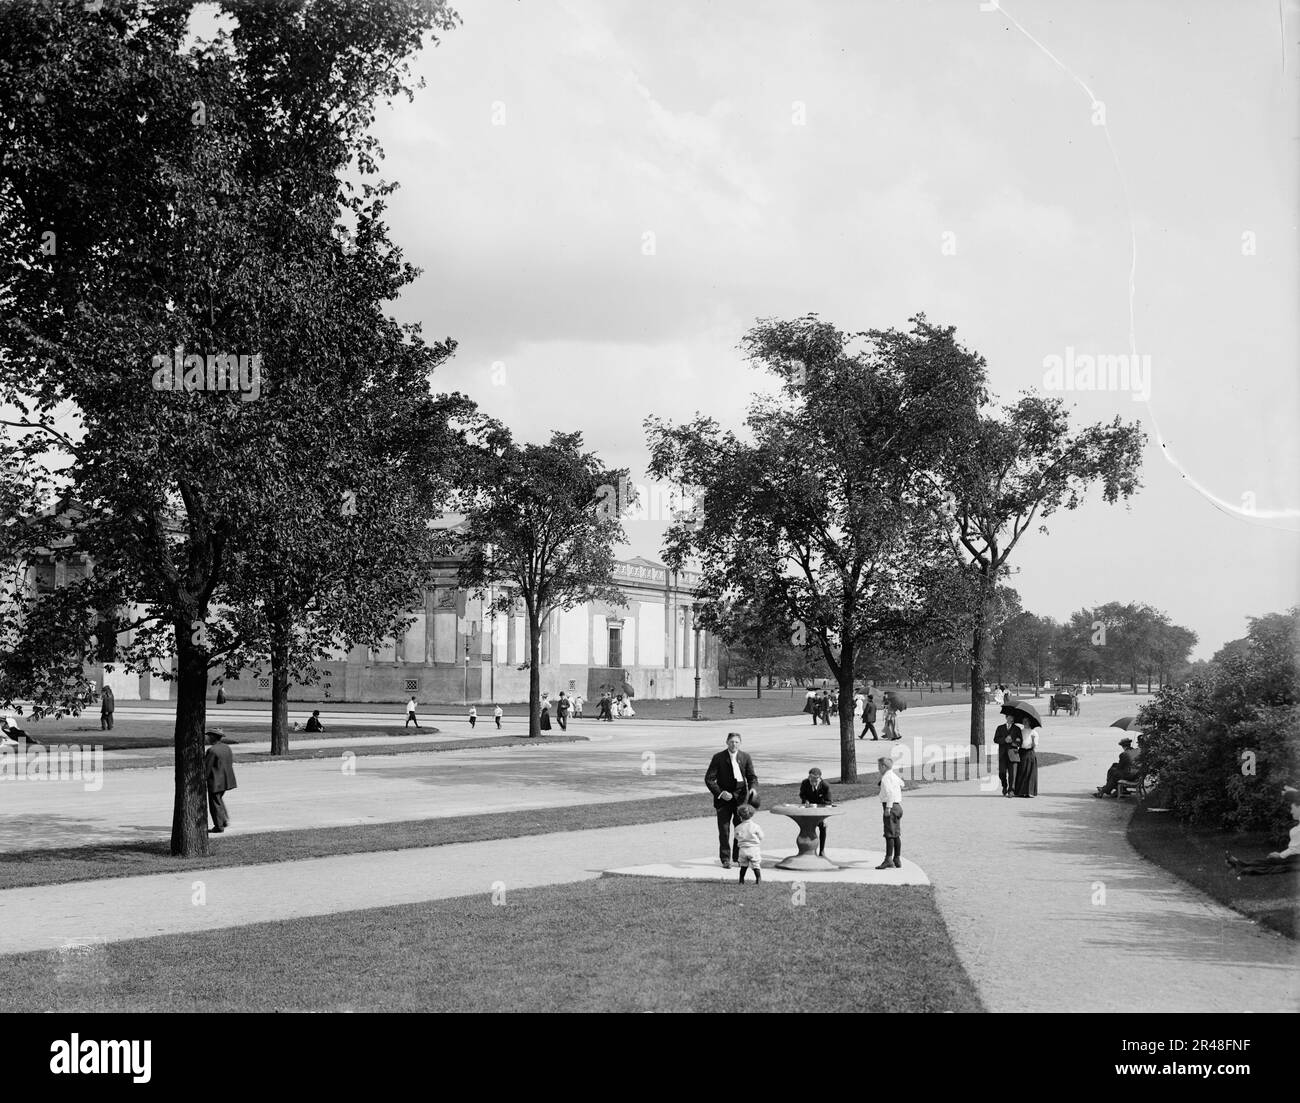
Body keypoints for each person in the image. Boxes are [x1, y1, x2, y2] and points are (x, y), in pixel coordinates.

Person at [705, 732, 758, 868]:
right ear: (727, 742)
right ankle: (725, 859)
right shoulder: (718, 757)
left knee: (740, 829)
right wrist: (721, 793)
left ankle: (738, 857)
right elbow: (709, 779)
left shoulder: (745, 757)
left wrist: (753, 788)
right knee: (724, 830)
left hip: (740, 798)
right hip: (724, 799)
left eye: (736, 742)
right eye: (731, 742)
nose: (734, 744)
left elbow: (752, 777)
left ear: (740, 743)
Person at [1226, 794, 1300, 875]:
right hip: (1294, 857)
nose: (1291, 811)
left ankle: (1244, 870)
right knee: (1271, 862)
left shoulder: (1298, 830)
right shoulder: (1297, 828)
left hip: (1296, 858)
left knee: (1277, 866)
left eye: (1293, 809)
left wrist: (1280, 855)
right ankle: (1240, 864)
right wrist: (1280, 855)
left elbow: (1295, 850)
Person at [204, 728, 237, 834]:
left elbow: (206, 768)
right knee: (218, 800)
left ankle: (219, 826)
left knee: (215, 803)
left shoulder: (212, 750)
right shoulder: (226, 747)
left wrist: (201, 780)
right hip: (226, 780)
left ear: (213, 737)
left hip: (216, 781)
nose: (207, 738)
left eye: (209, 736)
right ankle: (224, 820)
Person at [875, 756, 904, 869]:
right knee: (896, 834)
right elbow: (902, 784)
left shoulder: (886, 778)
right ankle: (897, 858)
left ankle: (888, 859)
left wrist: (888, 808)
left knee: (889, 835)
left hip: (890, 807)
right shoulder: (892, 775)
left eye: (879, 766)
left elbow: (890, 794)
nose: (878, 769)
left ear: (883, 766)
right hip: (898, 807)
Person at [799, 767, 834, 857]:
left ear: (819, 778)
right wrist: (805, 800)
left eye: (815, 778)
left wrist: (824, 817)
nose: (812, 780)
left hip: (820, 811)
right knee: (805, 826)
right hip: (808, 810)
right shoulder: (805, 783)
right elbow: (802, 794)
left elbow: (828, 803)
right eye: (810, 777)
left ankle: (822, 850)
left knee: (823, 826)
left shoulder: (825, 786)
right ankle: (806, 851)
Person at [733, 803, 764, 884]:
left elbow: (736, 837)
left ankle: (741, 880)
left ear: (740, 816)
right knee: (755, 865)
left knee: (743, 865)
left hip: (743, 849)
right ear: (752, 815)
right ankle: (758, 879)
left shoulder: (738, 827)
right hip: (754, 849)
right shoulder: (755, 826)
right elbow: (761, 836)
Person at [994, 710, 1022, 797]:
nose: (1011, 719)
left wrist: (1012, 741)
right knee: (1002, 772)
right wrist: (1004, 740)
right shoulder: (1000, 728)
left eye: (1013, 717)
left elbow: (1020, 742)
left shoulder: (1017, 729)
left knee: (1012, 774)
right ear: (1006, 718)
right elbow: (995, 739)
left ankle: (1011, 790)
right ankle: (1004, 785)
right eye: (1010, 717)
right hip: (1003, 754)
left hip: (1013, 754)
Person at [1015, 719, 1038, 798]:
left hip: (1030, 752)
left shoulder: (1034, 732)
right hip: (1021, 752)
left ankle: (1029, 792)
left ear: (1030, 722)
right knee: (1021, 771)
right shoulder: (1020, 731)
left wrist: (1032, 739)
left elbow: (1034, 746)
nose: (1025, 722)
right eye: (1024, 721)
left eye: (1027, 721)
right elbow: (1018, 743)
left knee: (1029, 772)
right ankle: (1020, 792)